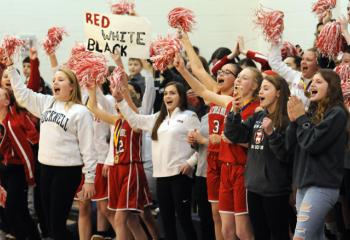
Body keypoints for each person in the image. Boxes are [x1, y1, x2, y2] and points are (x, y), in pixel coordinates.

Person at [7, 56, 96, 240]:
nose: (55, 82)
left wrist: (90, 178)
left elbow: (88, 148)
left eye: (61, 80)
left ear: (72, 86)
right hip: (45, 168)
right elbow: (22, 94)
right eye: (54, 79)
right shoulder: (47, 103)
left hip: (67, 171)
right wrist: (10, 67)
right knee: (49, 224)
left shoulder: (80, 112)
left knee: (57, 224)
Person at [116, 81, 200, 240]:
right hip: (161, 176)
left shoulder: (189, 116)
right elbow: (134, 120)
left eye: (172, 93)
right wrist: (120, 100)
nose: (168, 96)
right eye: (166, 93)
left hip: (180, 175)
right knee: (166, 220)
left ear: (181, 96)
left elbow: (201, 147)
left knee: (184, 220)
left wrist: (190, 163)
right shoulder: (157, 118)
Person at [224, 75, 292, 240]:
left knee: (279, 234)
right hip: (254, 187)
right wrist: (235, 113)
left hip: (275, 190)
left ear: (278, 93)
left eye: (266, 88)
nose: (261, 92)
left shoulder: (287, 120)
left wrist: (271, 133)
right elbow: (235, 134)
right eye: (260, 88)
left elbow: (286, 155)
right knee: (260, 234)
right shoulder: (258, 117)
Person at [286, 69, 348, 239]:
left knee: (301, 237)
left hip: (322, 187)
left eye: (319, 82)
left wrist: (301, 119)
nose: (313, 84)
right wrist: (293, 122)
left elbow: (312, 143)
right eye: (312, 82)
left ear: (332, 88)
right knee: (314, 237)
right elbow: (289, 148)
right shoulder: (310, 113)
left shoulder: (337, 113)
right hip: (303, 186)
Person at [0, 87, 40, 240]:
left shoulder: (12, 124)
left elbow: (26, 153)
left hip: (16, 171)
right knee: (21, 211)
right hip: (3, 170)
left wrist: (30, 178)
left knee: (11, 210)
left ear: (6, 101)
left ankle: (21, 235)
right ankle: (33, 236)